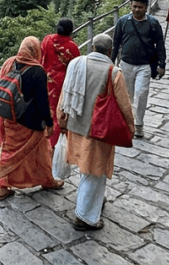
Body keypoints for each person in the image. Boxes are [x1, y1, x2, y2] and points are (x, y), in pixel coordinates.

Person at [57, 35, 134, 231]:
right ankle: (84, 217)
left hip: (76, 126)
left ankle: (94, 202)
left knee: (86, 168)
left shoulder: (76, 64)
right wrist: (130, 127)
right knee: (94, 172)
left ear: (92, 47)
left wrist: (61, 119)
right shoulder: (113, 72)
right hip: (98, 131)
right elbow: (124, 105)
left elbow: (65, 93)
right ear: (110, 52)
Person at [0, 37, 64, 200]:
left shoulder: (10, 63)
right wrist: (49, 123)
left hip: (10, 118)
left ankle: (3, 187)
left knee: (9, 152)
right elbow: (42, 101)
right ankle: (47, 181)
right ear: (35, 51)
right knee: (41, 153)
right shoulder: (37, 71)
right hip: (31, 122)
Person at [111, 0, 166, 139]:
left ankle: (139, 124)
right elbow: (115, 44)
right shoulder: (123, 22)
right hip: (126, 63)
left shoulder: (153, 23)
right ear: (130, 6)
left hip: (145, 65)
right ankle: (127, 122)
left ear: (146, 8)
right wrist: (111, 63)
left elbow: (160, 44)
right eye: (134, 6)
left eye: (140, 7)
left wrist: (162, 64)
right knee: (126, 95)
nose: (136, 10)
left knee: (141, 93)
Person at [40, 19, 81, 148]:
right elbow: (76, 67)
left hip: (44, 79)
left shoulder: (47, 39)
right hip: (61, 83)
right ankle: (53, 143)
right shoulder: (72, 46)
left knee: (43, 108)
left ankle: (41, 140)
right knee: (57, 112)